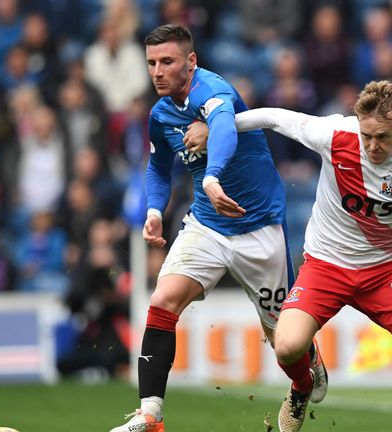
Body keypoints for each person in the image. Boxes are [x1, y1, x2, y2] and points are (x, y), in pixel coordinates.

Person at [186, 80, 392, 432]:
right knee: (288, 347)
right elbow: (273, 118)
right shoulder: (335, 133)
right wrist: (218, 126)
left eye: (383, 137)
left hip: (385, 270)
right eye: (366, 135)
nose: (372, 146)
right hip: (326, 266)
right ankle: (303, 386)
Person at [108, 24, 327, 432]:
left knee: (285, 346)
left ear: (191, 62)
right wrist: (155, 210)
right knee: (163, 300)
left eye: (167, 62)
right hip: (207, 226)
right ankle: (151, 414)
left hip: (259, 229)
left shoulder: (214, 91)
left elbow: (224, 127)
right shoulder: (160, 114)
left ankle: (303, 380)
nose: (157, 71)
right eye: (152, 63)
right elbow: (158, 167)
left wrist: (211, 177)